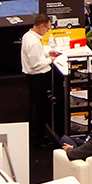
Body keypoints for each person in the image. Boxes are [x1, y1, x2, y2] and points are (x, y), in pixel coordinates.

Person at [20, 14, 61, 147]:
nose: (48, 31)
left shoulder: (29, 35)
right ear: (42, 26)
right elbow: (35, 64)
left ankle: (33, 134)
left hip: (34, 78)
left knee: (35, 107)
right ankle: (37, 140)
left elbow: (36, 57)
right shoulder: (33, 42)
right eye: (48, 29)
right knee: (40, 109)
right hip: (38, 78)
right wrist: (51, 60)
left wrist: (47, 54)